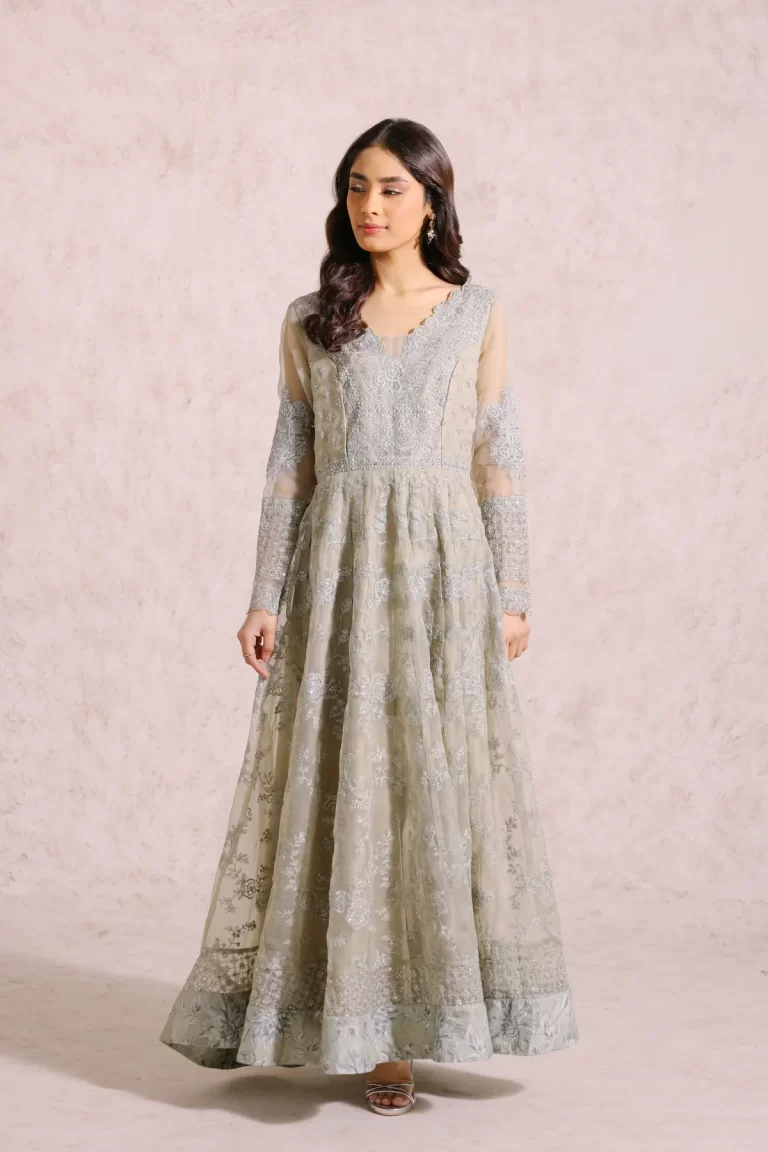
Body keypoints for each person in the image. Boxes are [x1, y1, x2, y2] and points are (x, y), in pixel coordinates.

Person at [159, 117, 579, 1116]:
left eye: (392, 188)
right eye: (356, 186)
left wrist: (514, 595)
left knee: (433, 792)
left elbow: (499, 460)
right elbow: (289, 470)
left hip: (445, 578)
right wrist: (263, 596)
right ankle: (361, 1026)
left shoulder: (477, 313)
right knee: (347, 788)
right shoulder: (312, 318)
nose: (370, 205)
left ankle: (419, 1023)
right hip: (340, 576)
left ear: (432, 201)